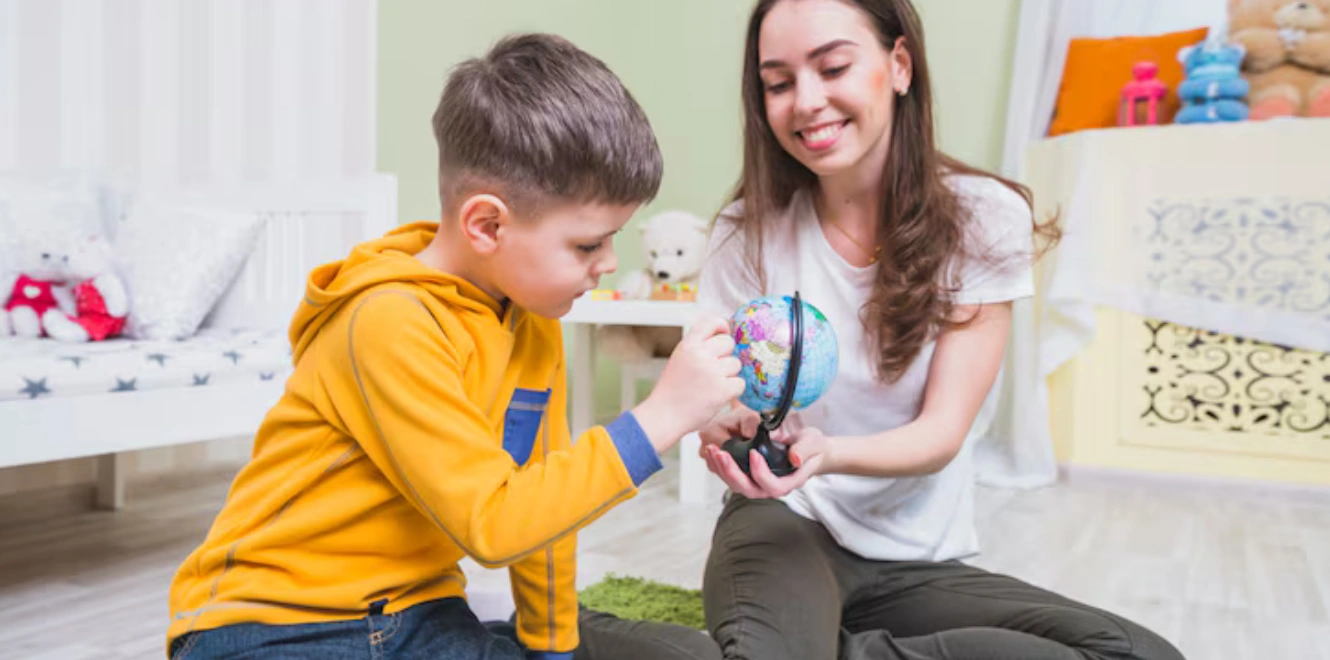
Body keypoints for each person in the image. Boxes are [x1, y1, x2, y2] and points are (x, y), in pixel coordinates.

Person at [165, 33, 739, 660]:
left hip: (416, 611)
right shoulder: (387, 321)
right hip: (273, 626)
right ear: (488, 224)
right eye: (586, 244)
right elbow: (495, 524)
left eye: (613, 239)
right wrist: (661, 417)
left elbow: (543, 515)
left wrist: (551, 648)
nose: (607, 263)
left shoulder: (533, 321)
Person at [694, 1, 1186, 659]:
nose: (806, 102)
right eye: (778, 83)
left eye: (833, 66)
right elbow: (720, 399)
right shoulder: (742, 232)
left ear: (900, 65)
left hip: (914, 559)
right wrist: (720, 423)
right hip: (786, 524)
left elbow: (941, 433)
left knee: (1142, 653)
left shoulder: (984, 219)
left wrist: (828, 452)